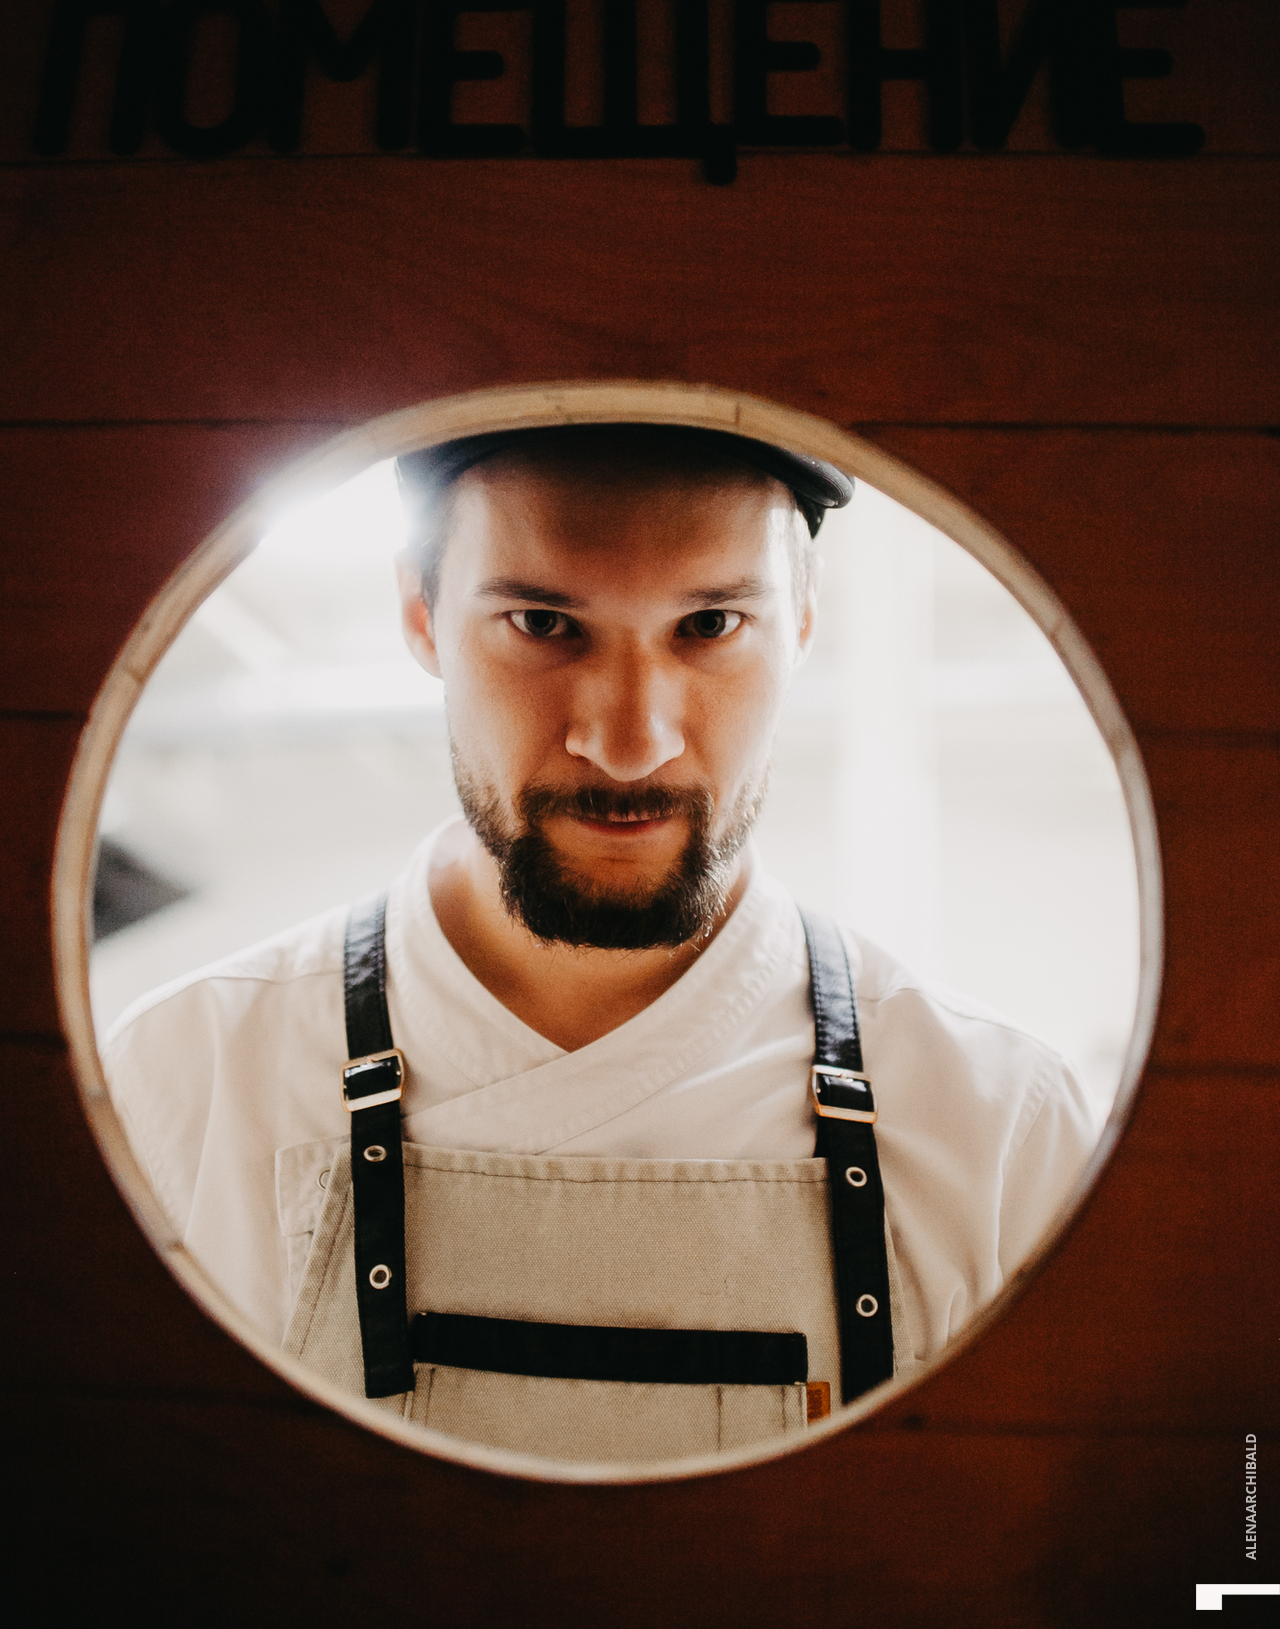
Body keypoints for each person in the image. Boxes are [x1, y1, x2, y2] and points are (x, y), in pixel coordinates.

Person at [104, 421, 1099, 1463]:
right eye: (543, 624)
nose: (629, 743)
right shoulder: (183, 1083)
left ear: (801, 624)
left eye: (710, 624)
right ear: (420, 616)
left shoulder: (999, 1129)